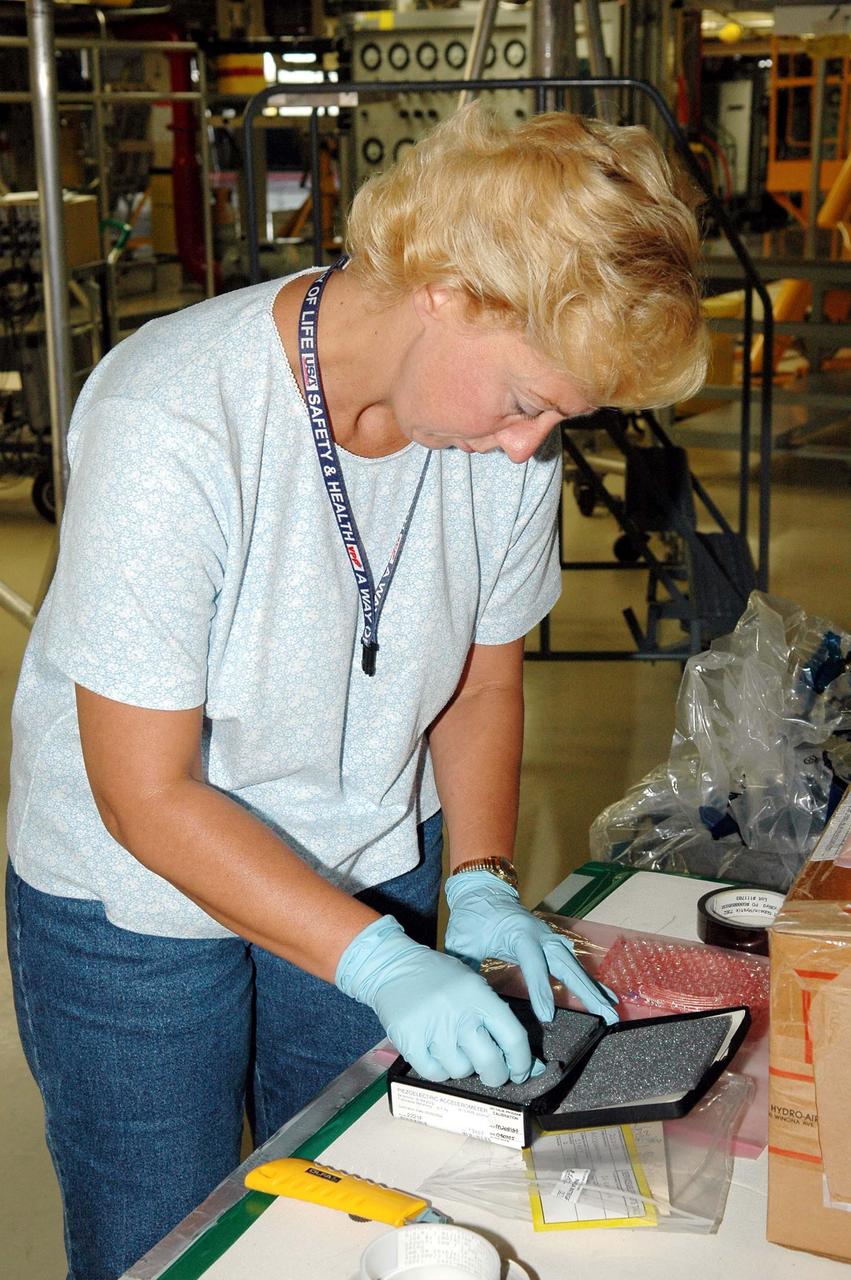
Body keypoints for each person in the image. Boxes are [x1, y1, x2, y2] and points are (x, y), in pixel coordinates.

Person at [6, 103, 707, 1279]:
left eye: (561, 417)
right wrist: (380, 961)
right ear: (446, 289)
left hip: (371, 853)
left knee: (358, 1211)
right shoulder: (172, 420)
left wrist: (479, 882)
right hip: (136, 900)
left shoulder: (496, 439)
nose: (531, 445)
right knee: (160, 1233)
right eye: (529, 398)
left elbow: (481, 682)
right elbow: (144, 794)